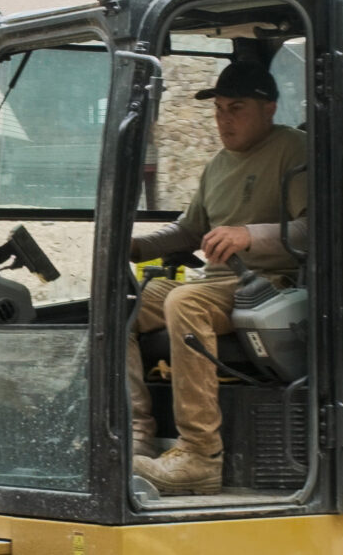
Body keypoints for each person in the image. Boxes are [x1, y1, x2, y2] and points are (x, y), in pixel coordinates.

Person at [126, 60, 309, 495]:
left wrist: (249, 235)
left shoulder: (294, 150)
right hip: (218, 284)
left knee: (183, 303)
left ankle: (201, 454)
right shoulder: (217, 165)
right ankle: (135, 434)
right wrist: (133, 246)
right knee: (124, 303)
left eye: (237, 108)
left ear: (269, 109)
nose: (224, 119)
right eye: (220, 109)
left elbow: (314, 228)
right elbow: (188, 230)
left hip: (268, 287)